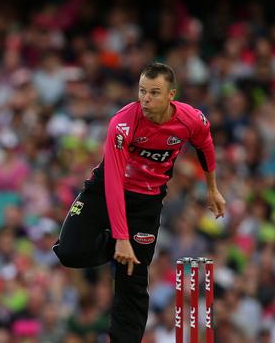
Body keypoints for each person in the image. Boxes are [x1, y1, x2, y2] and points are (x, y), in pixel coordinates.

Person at [52, 62, 226, 342]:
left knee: (132, 278)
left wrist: (212, 188)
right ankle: (113, 244)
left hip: (147, 201)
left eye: (155, 92)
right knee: (69, 252)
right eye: (142, 91)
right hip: (105, 191)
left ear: (172, 95)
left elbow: (205, 142)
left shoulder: (190, 119)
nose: (146, 98)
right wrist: (120, 238)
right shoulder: (122, 123)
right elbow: (113, 181)